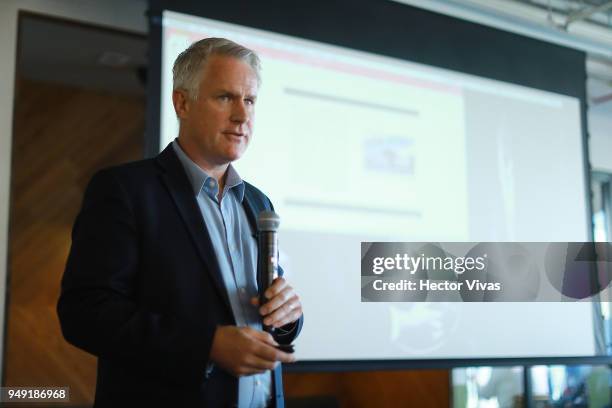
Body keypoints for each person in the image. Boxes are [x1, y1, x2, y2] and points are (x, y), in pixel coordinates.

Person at [57, 38, 303, 408]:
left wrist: (287, 316)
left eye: (249, 101)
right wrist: (206, 346)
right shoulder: (125, 191)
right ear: (182, 102)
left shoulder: (258, 202)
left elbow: (264, 313)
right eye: (225, 97)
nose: (242, 115)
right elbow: (85, 313)